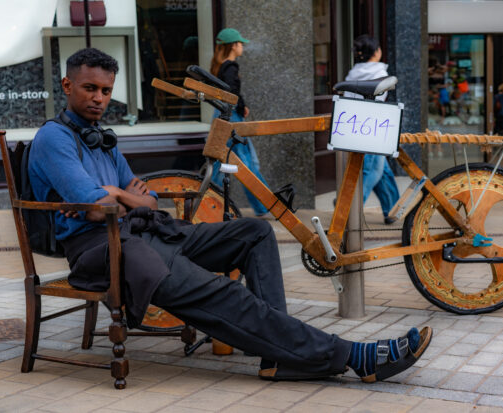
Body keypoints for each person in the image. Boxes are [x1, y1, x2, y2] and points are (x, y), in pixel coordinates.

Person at [28, 47, 432, 383]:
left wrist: (118, 195)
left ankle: (280, 355)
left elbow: (148, 202)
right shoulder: (53, 138)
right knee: (226, 294)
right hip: (102, 249)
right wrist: (117, 195)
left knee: (254, 231)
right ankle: (350, 355)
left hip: (145, 232)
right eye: (90, 89)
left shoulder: (104, 139)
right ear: (67, 86)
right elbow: (97, 209)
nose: (99, 98)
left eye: (106, 90)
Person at [209, 28, 269, 217]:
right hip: (232, 116)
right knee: (247, 162)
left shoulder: (221, 65)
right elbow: (232, 92)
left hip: (221, 114)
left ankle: (209, 201)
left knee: (221, 161)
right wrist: (242, 106)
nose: (242, 46)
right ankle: (265, 204)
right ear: (233, 46)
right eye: (240, 43)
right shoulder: (231, 66)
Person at [345, 34, 400, 224]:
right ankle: (347, 208)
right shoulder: (378, 72)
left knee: (382, 170)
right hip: (372, 127)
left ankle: (392, 209)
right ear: (376, 52)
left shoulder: (353, 73)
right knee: (372, 171)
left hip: (354, 124)